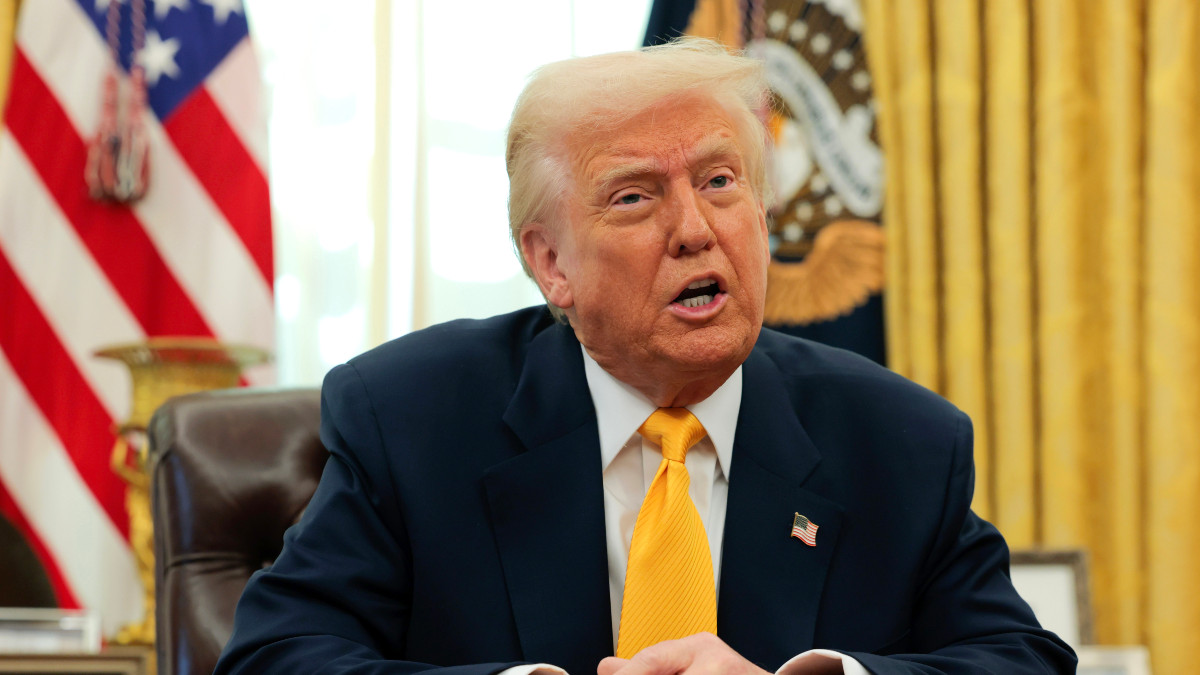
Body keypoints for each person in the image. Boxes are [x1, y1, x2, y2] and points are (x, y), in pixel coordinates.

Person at [214, 39, 1075, 674]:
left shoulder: (898, 440)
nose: (696, 229)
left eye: (721, 181)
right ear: (552, 264)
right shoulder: (410, 419)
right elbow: (275, 657)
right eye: (635, 197)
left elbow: (1022, 660)